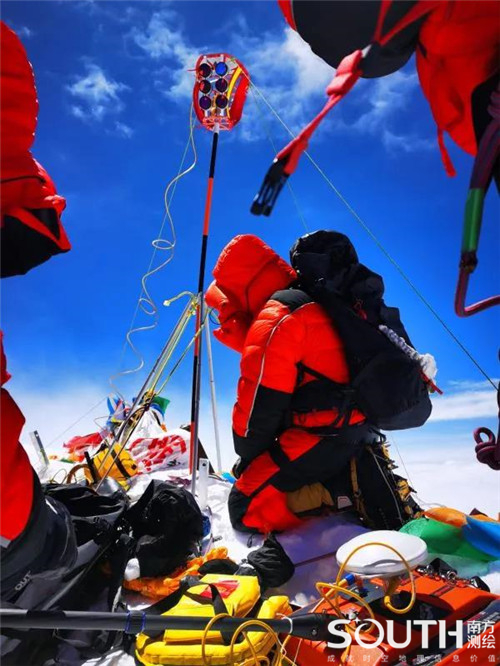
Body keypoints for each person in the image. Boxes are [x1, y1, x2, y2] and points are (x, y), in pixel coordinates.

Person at [206, 233, 422, 534]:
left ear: (241, 289)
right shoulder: (318, 300)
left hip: (322, 438)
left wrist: (249, 457)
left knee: (244, 508)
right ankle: (356, 475)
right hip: (361, 430)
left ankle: (339, 492)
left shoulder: (277, 314)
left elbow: (256, 415)